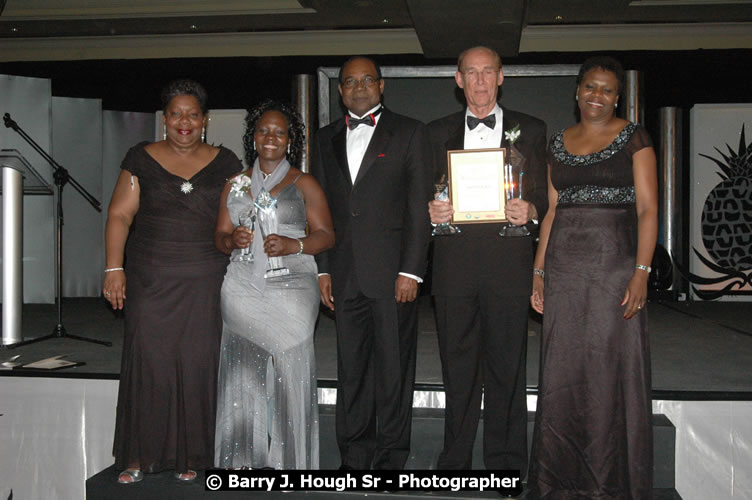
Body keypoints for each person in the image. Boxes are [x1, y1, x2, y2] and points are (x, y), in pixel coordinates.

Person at [528, 56, 658, 499]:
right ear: (577, 91)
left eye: (606, 89)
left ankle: (608, 483)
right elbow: (551, 213)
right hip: (564, 268)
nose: (596, 96)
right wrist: (539, 271)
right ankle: (559, 481)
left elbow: (648, 210)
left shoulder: (633, 137)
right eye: (589, 87)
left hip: (613, 266)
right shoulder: (558, 142)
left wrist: (641, 273)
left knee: (606, 370)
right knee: (563, 371)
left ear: (617, 95)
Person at [103, 79, 242, 483]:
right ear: (164, 119)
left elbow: (242, 215)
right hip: (151, 279)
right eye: (176, 113)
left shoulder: (226, 161)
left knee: (199, 364)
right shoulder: (140, 159)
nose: (185, 121)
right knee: (151, 363)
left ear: (205, 119)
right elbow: (119, 216)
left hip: (206, 280)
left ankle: (192, 456)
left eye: (193, 114)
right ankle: (137, 456)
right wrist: (115, 268)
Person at [427, 46, 548, 472]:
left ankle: (507, 464)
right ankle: (454, 462)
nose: (479, 81)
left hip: (508, 267)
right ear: (458, 80)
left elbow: (549, 201)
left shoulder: (531, 130)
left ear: (501, 77)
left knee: (507, 369)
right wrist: (432, 211)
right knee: (457, 369)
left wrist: (531, 211)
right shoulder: (434, 133)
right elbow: (419, 198)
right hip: (453, 269)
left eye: (487, 72)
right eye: (471, 73)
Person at [310, 55, 433, 470]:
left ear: (382, 86)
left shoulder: (410, 132)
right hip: (343, 276)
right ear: (340, 90)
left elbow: (419, 208)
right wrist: (323, 267)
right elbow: (320, 212)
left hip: (393, 274)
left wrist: (411, 270)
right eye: (349, 81)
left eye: (367, 80)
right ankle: (354, 457)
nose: (358, 87)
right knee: (352, 371)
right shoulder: (325, 138)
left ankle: (391, 458)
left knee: (394, 372)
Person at [213, 99, 334, 470]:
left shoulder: (303, 182)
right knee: (242, 375)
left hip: (293, 286)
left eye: (279, 132)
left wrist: (293, 244)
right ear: (254, 138)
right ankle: (241, 462)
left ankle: (292, 462)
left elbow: (327, 235)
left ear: (289, 141)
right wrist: (232, 240)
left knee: (290, 372)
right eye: (264, 130)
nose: (271, 137)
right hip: (242, 287)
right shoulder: (235, 185)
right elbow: (218, 235)